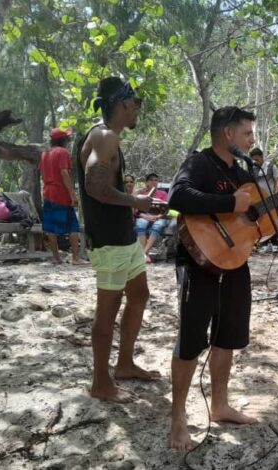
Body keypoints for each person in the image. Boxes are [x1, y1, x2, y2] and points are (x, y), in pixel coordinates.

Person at [167, 106, 278, 451]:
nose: (252, 139)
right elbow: (177, 197)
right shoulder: (199, 163)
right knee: (191, 340)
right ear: (228, 135)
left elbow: (267, 220)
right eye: (248, 133)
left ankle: (220, 405)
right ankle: (177, 418)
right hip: (197, 260)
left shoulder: (242, 175)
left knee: (228, 337)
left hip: (235, 261)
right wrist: (227, 202)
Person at [76, 76, 160, 404]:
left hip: (124, 238)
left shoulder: (107, 138)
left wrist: (133, 198)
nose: (138, 110)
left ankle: (124, 364)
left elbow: (104, 187)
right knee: (107, 311)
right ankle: (100, 382)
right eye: (136, 104)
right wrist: (135, 203)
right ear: (124, 104)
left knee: (139, 294)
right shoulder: (104, 136)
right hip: (110, 240)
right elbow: (95, 187)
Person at [39, 127, 87, 265]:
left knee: (50, 227)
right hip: (61, 193)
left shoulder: (44, 153)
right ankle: (76, 258)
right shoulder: (63, 152)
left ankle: (56, 258)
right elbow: (64, 173)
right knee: (72, 225)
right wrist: (72, 194)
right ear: (64, 140)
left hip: (48, 192)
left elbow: (42, 174)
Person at [134, 172, 170, 263]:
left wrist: (158, 216)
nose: (154, 182)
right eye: (151, 180)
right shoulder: (141, 193)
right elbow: (136, 209)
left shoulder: (163, 193)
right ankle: (144, 255)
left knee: (157, 226)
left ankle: (144, 253)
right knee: (140, 224)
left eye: (156, 180)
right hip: (144, 216)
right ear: (146, 182)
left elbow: (166, 209)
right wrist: (145, 216)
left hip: (160, 217)